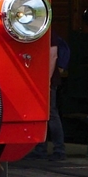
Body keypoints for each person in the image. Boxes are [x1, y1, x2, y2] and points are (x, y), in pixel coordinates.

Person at [27, 30, 69, 161]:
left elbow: (53, 55)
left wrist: (47, 79)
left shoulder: (47, 33)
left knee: (50, 114)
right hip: (41, 79)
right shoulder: (46, 31)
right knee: (44, 114)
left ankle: (58, 149)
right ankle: (43, 148)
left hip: (46, 80)